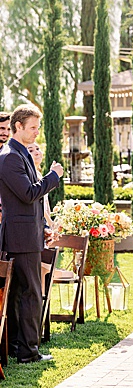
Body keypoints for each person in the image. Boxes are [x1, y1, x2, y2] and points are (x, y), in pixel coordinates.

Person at [0, 103, 64, 366]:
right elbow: (28, 194)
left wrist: (44, 229)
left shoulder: (18, 152)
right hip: (20, 238)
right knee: (31, 294)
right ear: (18, 126)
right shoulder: (10, 156)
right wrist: (54, 176)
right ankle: (28, 352)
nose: (37, 132)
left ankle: (17, 347)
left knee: (19, 293)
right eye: (33, 127)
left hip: (26, 234)